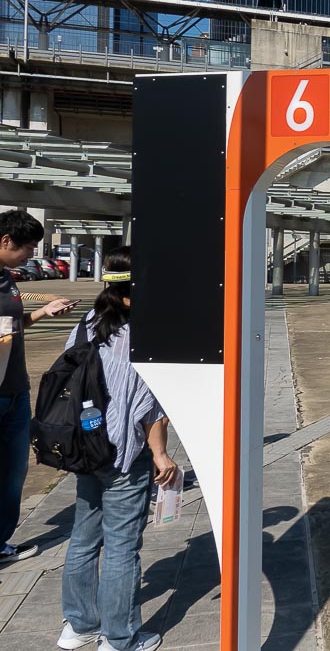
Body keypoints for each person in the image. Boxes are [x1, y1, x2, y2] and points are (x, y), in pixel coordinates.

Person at [56, 247, 178, 651]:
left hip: (83, 446)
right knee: (123, 546)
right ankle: (120, 638)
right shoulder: (144, 332)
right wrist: (160, 453)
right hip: (124, 452)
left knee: (84, 538)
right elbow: (148, 406)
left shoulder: (87, 324)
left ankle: (78, 626)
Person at [0, 210, 77, 566]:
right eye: (27, 249)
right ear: (5, 241)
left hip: (14, 389)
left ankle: (1, 542)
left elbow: (11, 326)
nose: (30, 256)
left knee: (14, 470)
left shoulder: (6, 278)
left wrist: (43, 312)